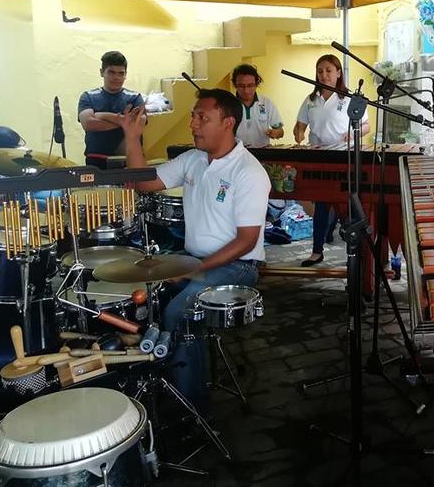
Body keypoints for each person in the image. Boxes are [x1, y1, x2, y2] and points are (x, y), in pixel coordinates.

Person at [120, 88, 271, 410]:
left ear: (228, 123)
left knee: (179, 312)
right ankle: (164, 376)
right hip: (196, 261)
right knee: (147, 295)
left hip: (237, 266)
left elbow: (246, 240)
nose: (193, 124)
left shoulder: (248, 172)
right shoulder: (192, 160)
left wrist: (193, 269)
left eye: (202, 117)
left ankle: (189, 407)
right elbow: (144, 182)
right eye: (193, 116)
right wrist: (132, 138)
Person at [293, 54, 370, 266]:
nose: (324, 75)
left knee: (352, 206)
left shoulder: (349, 99)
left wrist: (352, 134)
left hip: (345, 158)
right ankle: (317, 251)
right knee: (321, 206)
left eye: (328, 71)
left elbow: (366, 126)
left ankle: (357, 254)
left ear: (338, 74)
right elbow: (300, 126)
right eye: (320, 71)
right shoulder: (310, 100)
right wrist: (298, 134)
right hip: (319, 158)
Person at [77, 51, 145, 168]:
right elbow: (88, 123)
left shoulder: (135, 97)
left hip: (129, 159)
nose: (116, 77)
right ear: (102, 72)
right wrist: (124, 121)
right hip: (97, 161)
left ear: (125, 74)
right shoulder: (88, 96)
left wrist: (102, 115)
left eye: (121, 73)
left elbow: (140, 122)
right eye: (111, 72)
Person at [231, 64, 284, 148]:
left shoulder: (266, 102)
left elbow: (280, 131)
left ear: (256, 84)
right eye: (241, 86)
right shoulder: (228, 105)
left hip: (262, 153)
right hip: (236, 153)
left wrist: (275, 133)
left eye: (250, 85)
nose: (246, 90)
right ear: (235, 84)